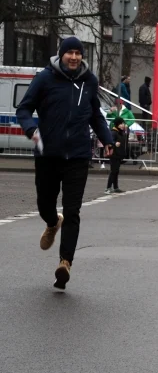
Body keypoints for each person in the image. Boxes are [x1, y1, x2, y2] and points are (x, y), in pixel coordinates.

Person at [16, 36, 112, 290]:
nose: (74, 57)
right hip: (48, 154)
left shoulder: (89, 81)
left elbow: (95, 115)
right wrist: (30, 129)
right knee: (45, 203)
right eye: (69, 52)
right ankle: (50, 222)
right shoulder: (44, 78)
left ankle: (65, 263)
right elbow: (24, 109)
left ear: (82, 56)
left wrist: (107, 139)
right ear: (61, 55)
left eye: (78, 53)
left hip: (78, 156)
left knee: (73, 211)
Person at [104, 116, 128, 194]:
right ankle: (108, 188)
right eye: (121, 124)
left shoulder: (121, 132)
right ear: (117, 124)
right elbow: (110, 142)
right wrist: (114, 144)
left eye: (123, 123)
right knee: (113, 171)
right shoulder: (113, 132)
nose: (122, 125)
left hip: (119, 155)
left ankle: (116, 187)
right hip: (114, 154)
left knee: (116, 171)